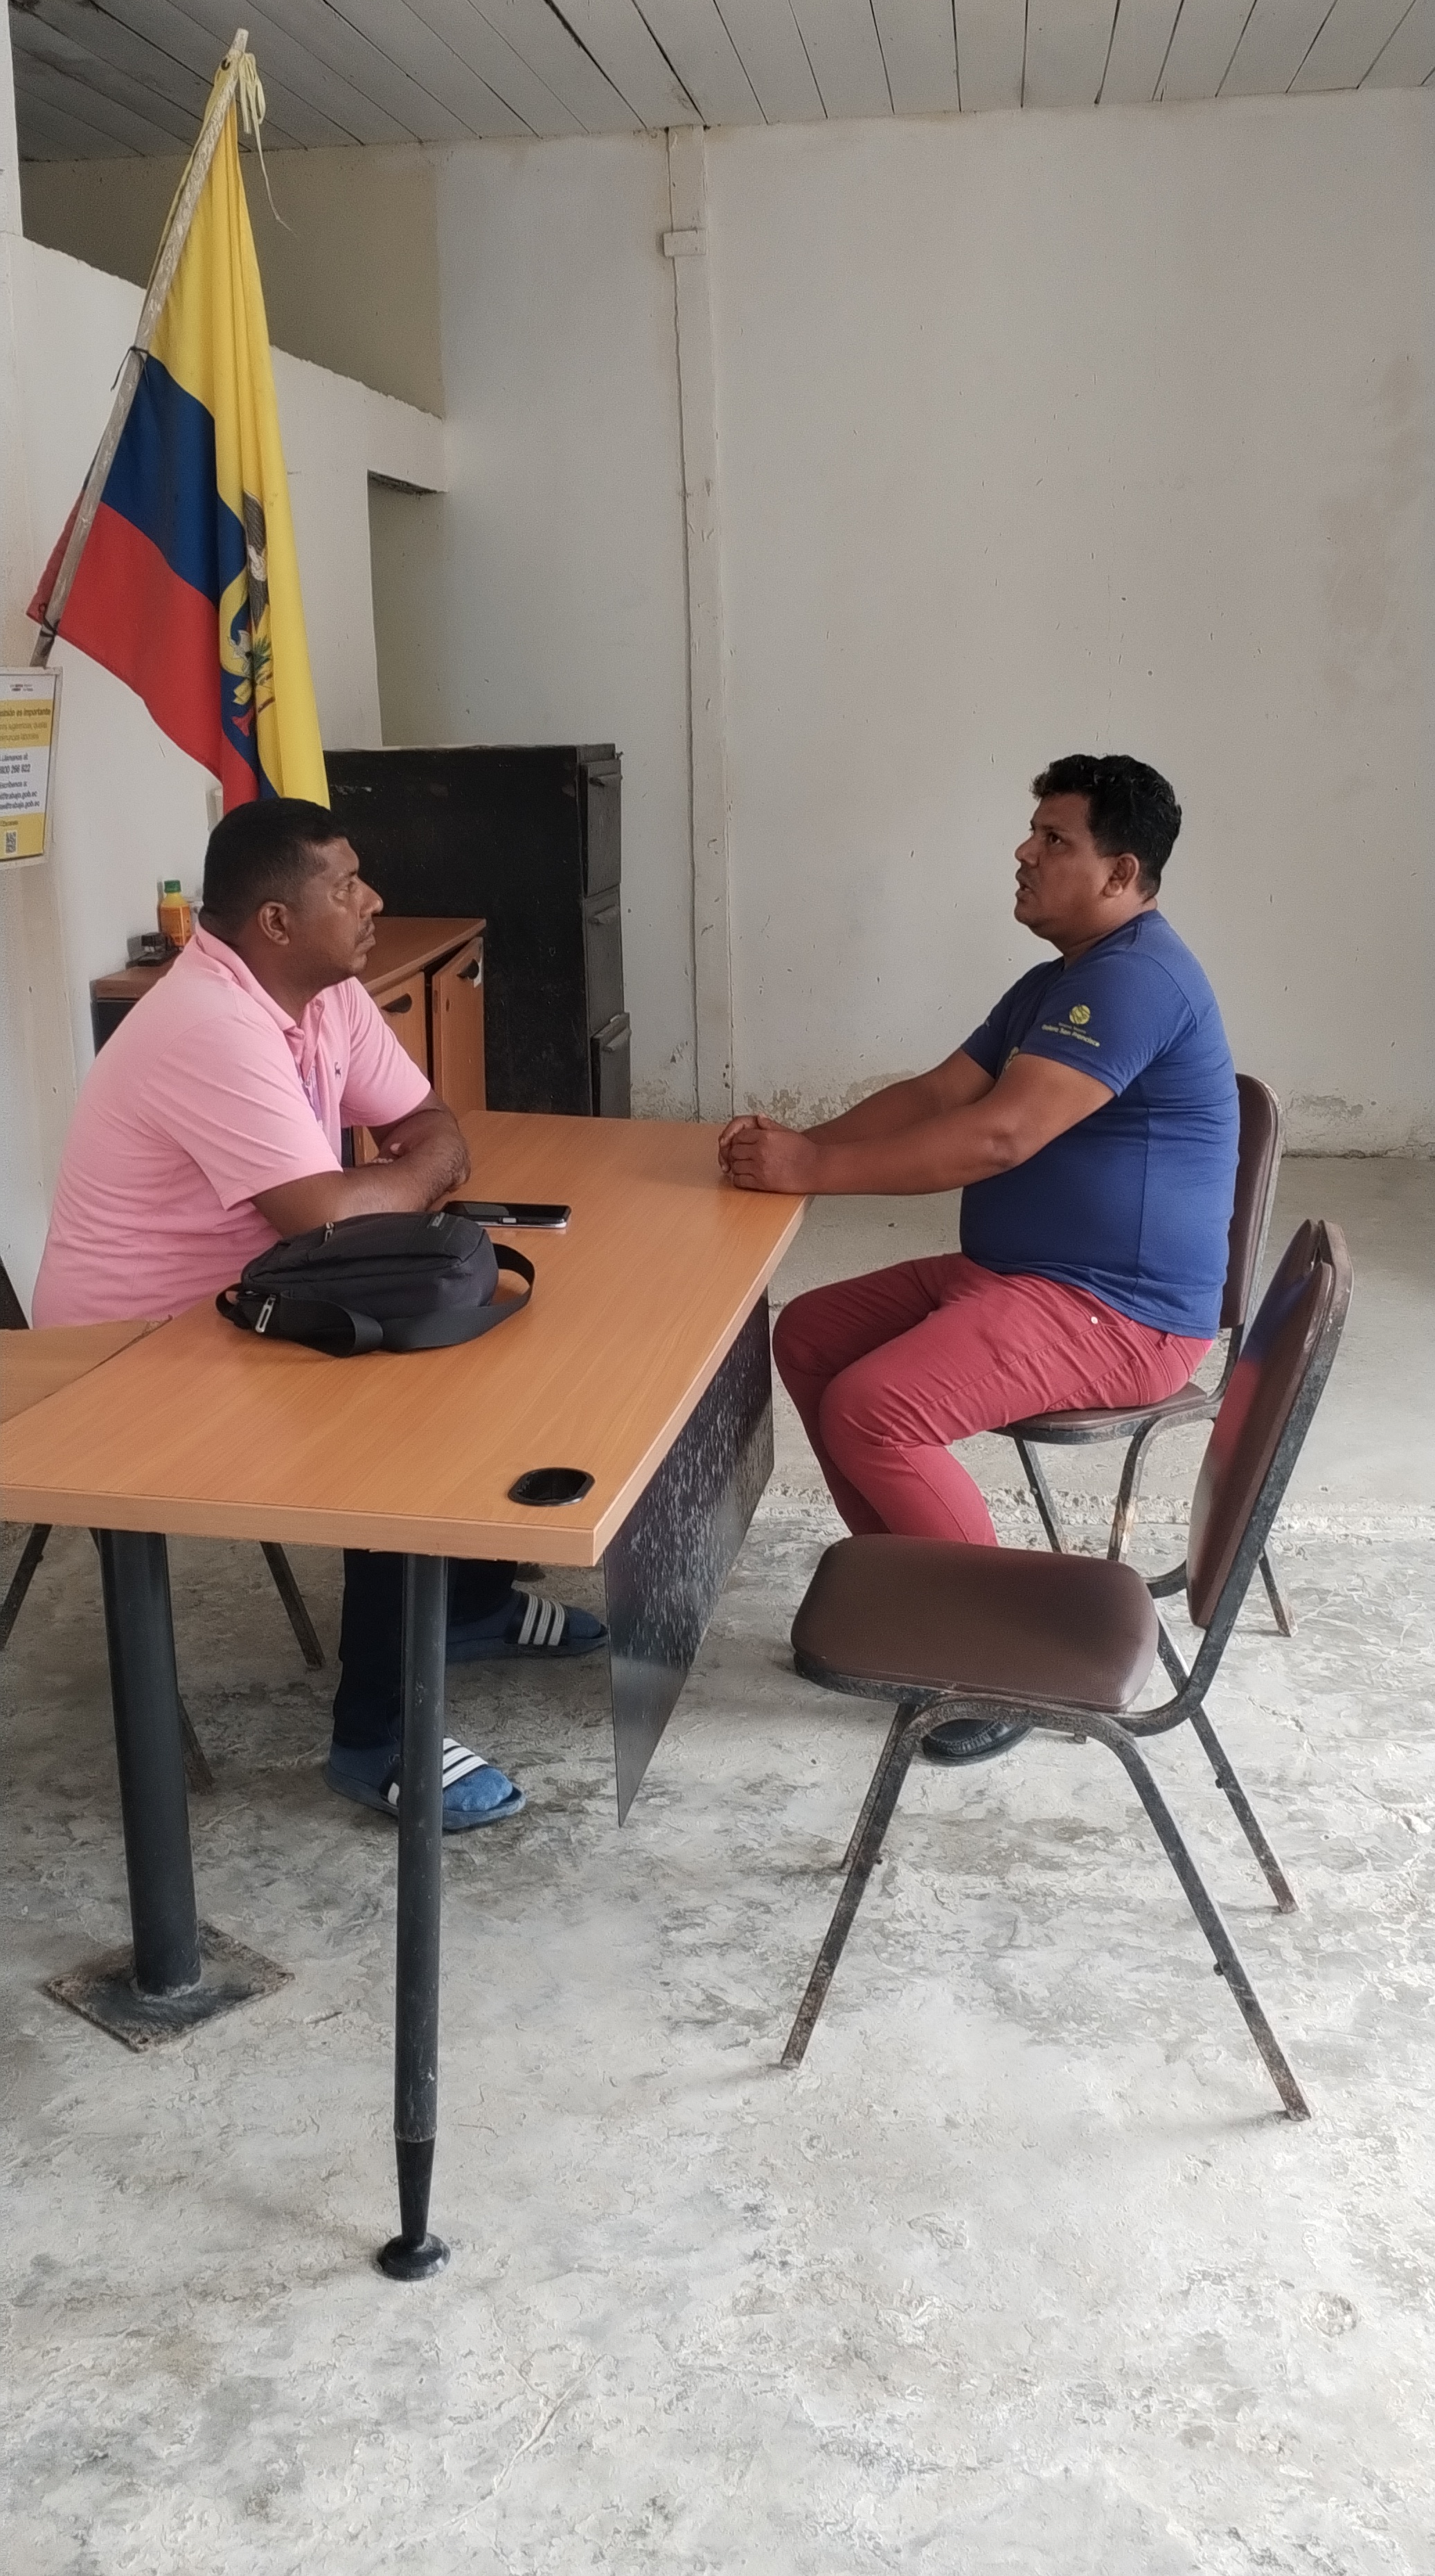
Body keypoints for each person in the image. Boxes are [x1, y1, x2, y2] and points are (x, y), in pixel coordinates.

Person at [33, 798, 605, 1829]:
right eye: (345, 885)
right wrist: (408, 1178)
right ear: (276, 922)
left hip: (256, 1304)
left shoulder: (328, 994)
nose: (373, 900)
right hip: (129, 1358)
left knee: (478, 1354)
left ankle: (468, 1609)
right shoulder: (208, 1023)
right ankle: (376, 1738)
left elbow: (426, 1122)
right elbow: (328, 1212)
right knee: (398, 1431)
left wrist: (402, 1176)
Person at [720, 754, 1238, 1765]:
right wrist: (804, 1150)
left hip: (1118, 1313)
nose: (1024, 852)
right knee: (814, 1336)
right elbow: (937, 1095)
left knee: (878, 1410)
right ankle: (913, 1599)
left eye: (1055, 840)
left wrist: (815, 1169)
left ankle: (1000, 1665)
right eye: (1032, 832)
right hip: (1026, 1278)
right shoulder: (1059, 981)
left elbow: (1000, 1137)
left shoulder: (1135, 979)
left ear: (1121, 873)